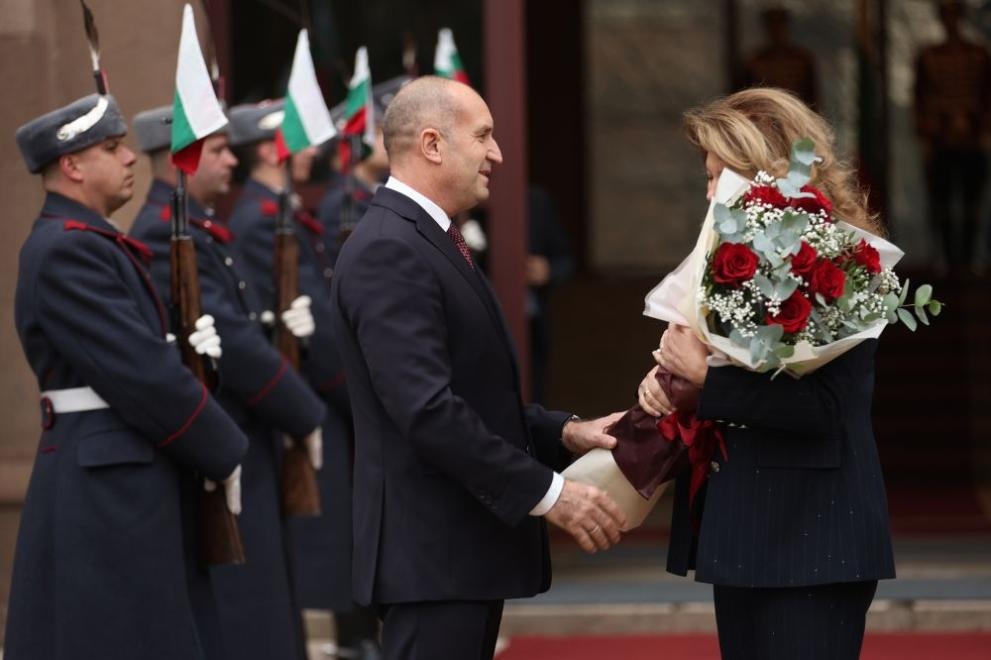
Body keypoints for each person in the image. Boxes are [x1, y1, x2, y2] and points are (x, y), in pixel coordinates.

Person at [330, 75, 628, 660]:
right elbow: (427, 411)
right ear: (432, 144)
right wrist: (550, 493)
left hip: (455, 555)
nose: (497, 153)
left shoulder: (427, 237)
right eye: (483, 135)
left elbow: (470, 391)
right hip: (432, 556)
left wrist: (564, 432)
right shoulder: (390, 247)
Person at [642, 87, 895, 660]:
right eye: (707, 177)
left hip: (814, 536)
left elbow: (828, 407)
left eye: (718, 176)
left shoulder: (839, 258)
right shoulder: (728, 259)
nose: (709, 192)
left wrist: (707, 381)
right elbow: (723, 367)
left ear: (766, 170)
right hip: (740, 529)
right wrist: (669, 382)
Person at [5, 93, 248, 660]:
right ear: (72, 165)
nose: (131, 157)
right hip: (106, 483)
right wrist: (222, 447)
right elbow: (141, 374)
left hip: (123, 466)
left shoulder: (90, 243)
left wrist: (188, 352)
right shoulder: (67, 251)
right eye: (112, 148)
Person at [128, 105, 327, 660]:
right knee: (247, 603)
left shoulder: (198, 226)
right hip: (224, 434)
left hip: (243, 430)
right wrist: (305, 411)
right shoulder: (164, 231)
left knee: (266, 593)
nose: (230, 160)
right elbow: (234, 345)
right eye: (215, 150)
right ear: (181, 158)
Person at [224, 100, 384, 657]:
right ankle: (353, 640)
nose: (312, 148)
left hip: (326, 391)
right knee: (333, 526)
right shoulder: (262, 219)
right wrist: (359, 395)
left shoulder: (282, 211)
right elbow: (311, 323)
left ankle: (358, 637)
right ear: (271, 150)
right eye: (297, 138)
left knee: (348, 522)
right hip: (313, 394)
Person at [914, 0, 991, 272]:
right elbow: (920, 98)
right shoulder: (929, 56)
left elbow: (986, 96)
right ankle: (947, 260)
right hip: (941, 140)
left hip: (972, 140)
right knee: (942, 203)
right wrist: (926, 137)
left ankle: (968, 261)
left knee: (972, 203)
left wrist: (984, 133)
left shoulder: (978, 55)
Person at [742, 7, 818, 108]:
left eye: (780, 24)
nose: (776, 30)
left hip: (795, 110)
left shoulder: (801, 59)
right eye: (772, 25)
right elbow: (746, 94)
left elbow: (812, 96)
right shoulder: (755, 60)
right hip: (764, 110)